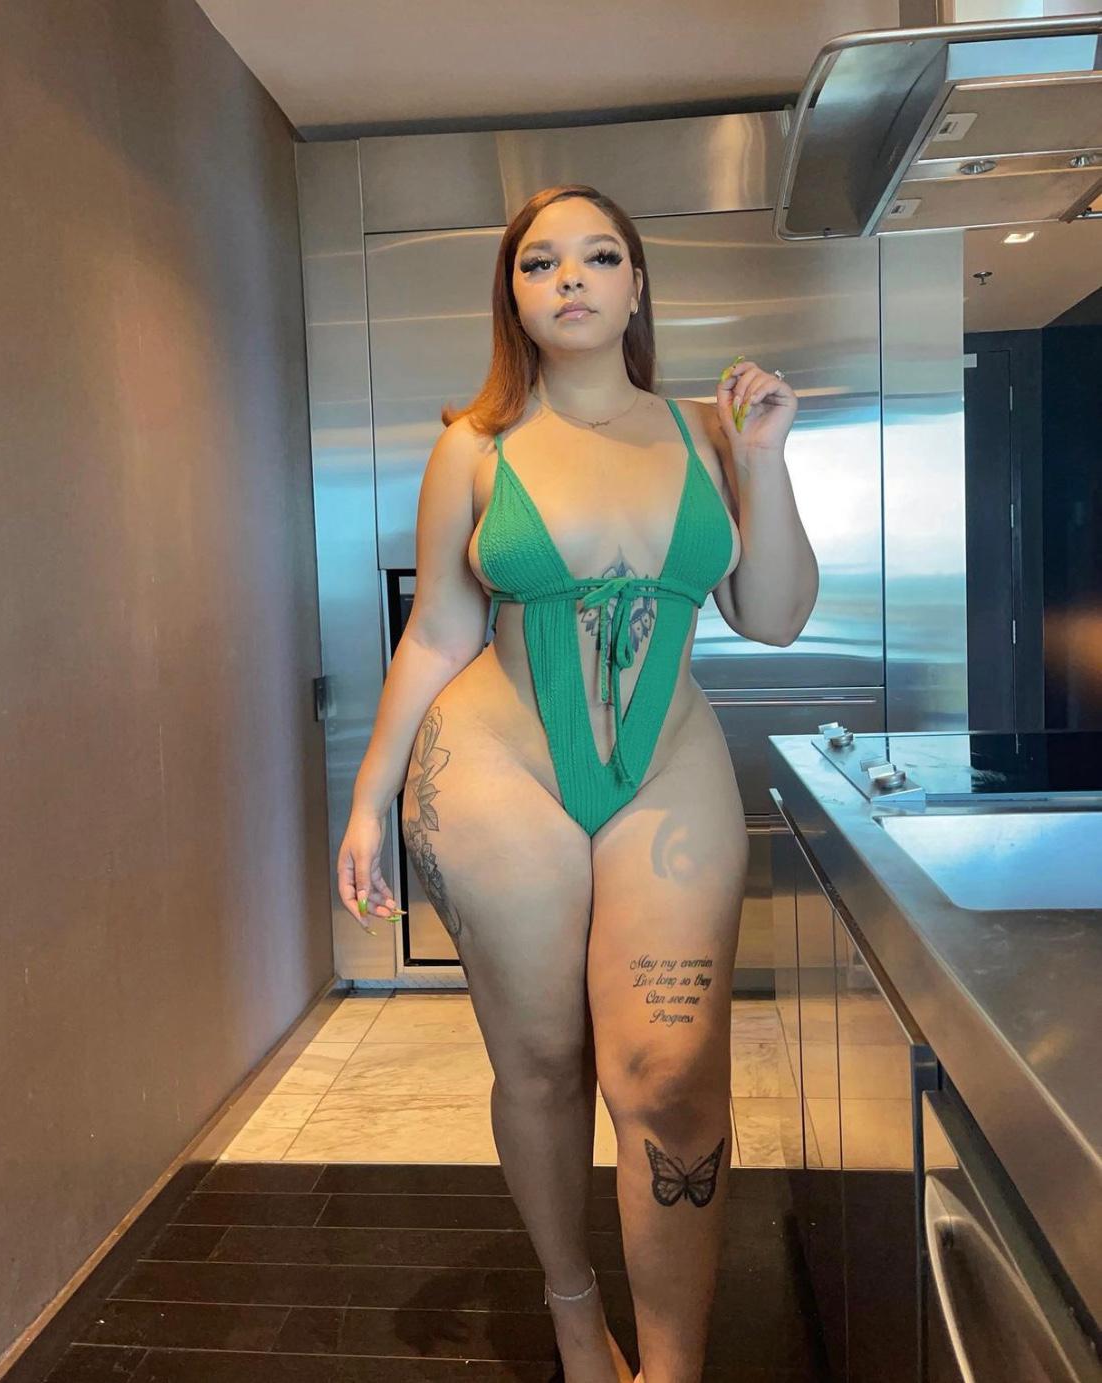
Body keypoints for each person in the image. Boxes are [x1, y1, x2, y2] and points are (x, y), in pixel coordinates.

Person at [337, 183, 818, 1383]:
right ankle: (570, 1307)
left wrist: (766, 461)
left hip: (670, 774)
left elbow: (772, 617)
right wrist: (368, 796)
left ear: (637, 285)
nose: (569, 278)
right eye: (539, 261)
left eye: (599, 257)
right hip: (499, 771)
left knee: (672, 1076)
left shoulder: (712, 431)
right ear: (511, 295)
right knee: (543, 1063)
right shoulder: (473, 445)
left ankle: (676, 1366)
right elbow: (438, 631)